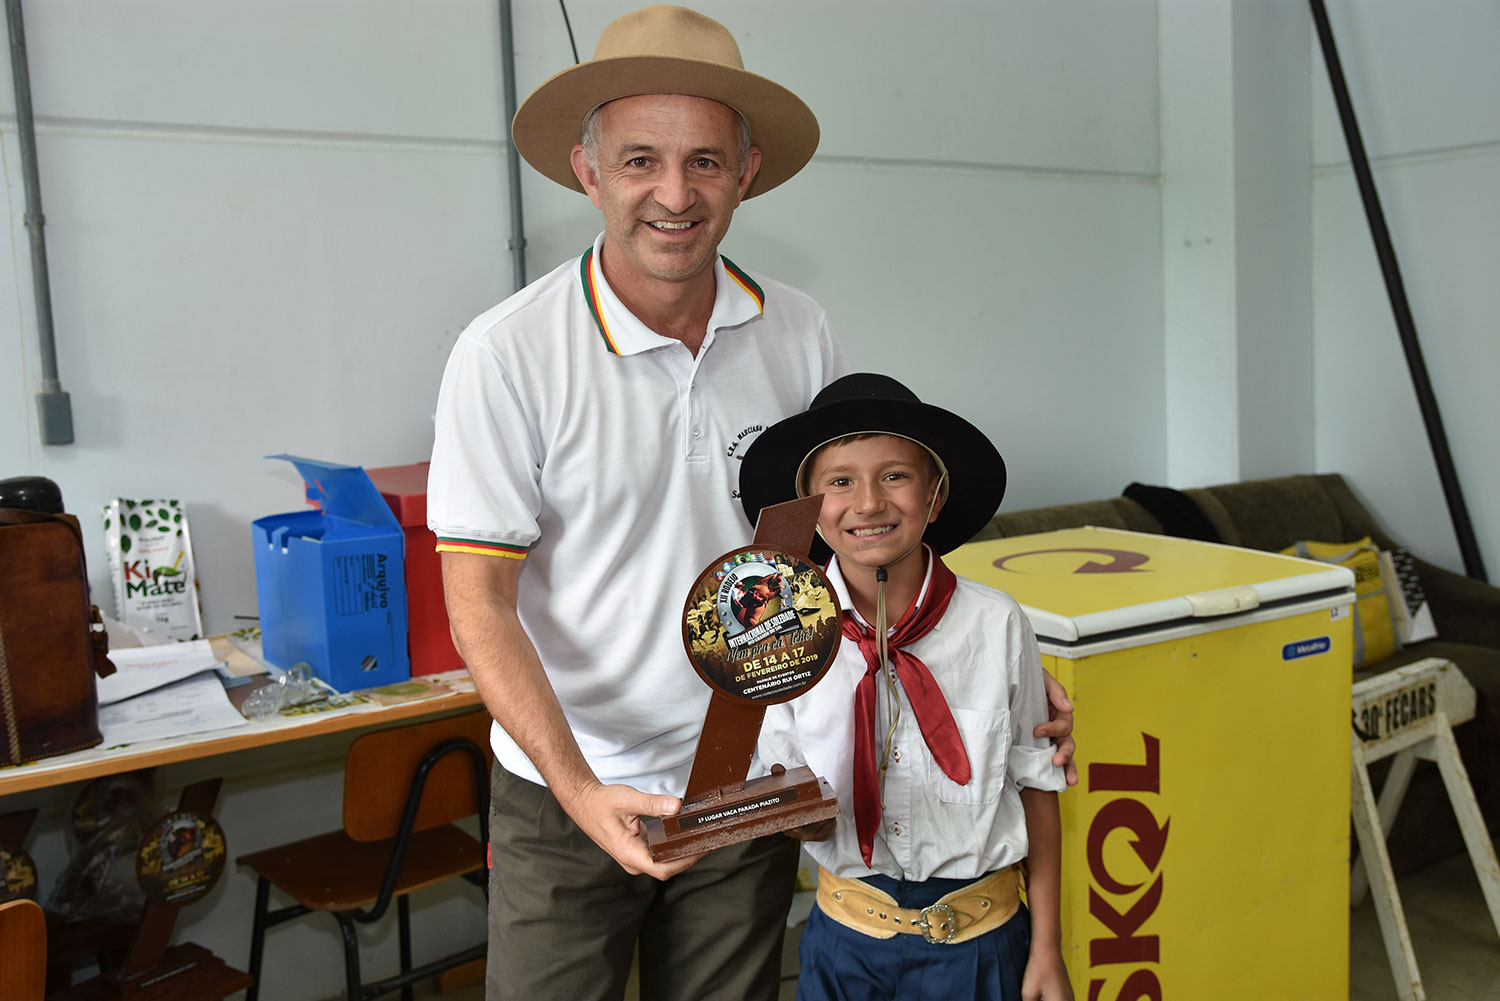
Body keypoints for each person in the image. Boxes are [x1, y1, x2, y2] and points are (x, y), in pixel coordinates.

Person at [427, 6, 1074, 999]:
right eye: (640, 159)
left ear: (748, 171)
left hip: (753, 767)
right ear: (589, 170)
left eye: (705, 163)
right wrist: (578, 786)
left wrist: (989, 674)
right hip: (569, 783)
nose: (674, 194)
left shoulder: (798, 330)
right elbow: (478, 600)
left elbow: (850, 541)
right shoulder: (508, 352)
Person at [740, 373, 1074, 1000]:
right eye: (840, 482)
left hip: (983, 943)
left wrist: (1048, 948)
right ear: (810, 506)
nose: (868, 503)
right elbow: (782, 786)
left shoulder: (998, 624)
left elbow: (1037, 784)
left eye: (895, 476)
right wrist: (785, 815)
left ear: (936, 495)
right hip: (846, 943)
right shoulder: (779, 636)